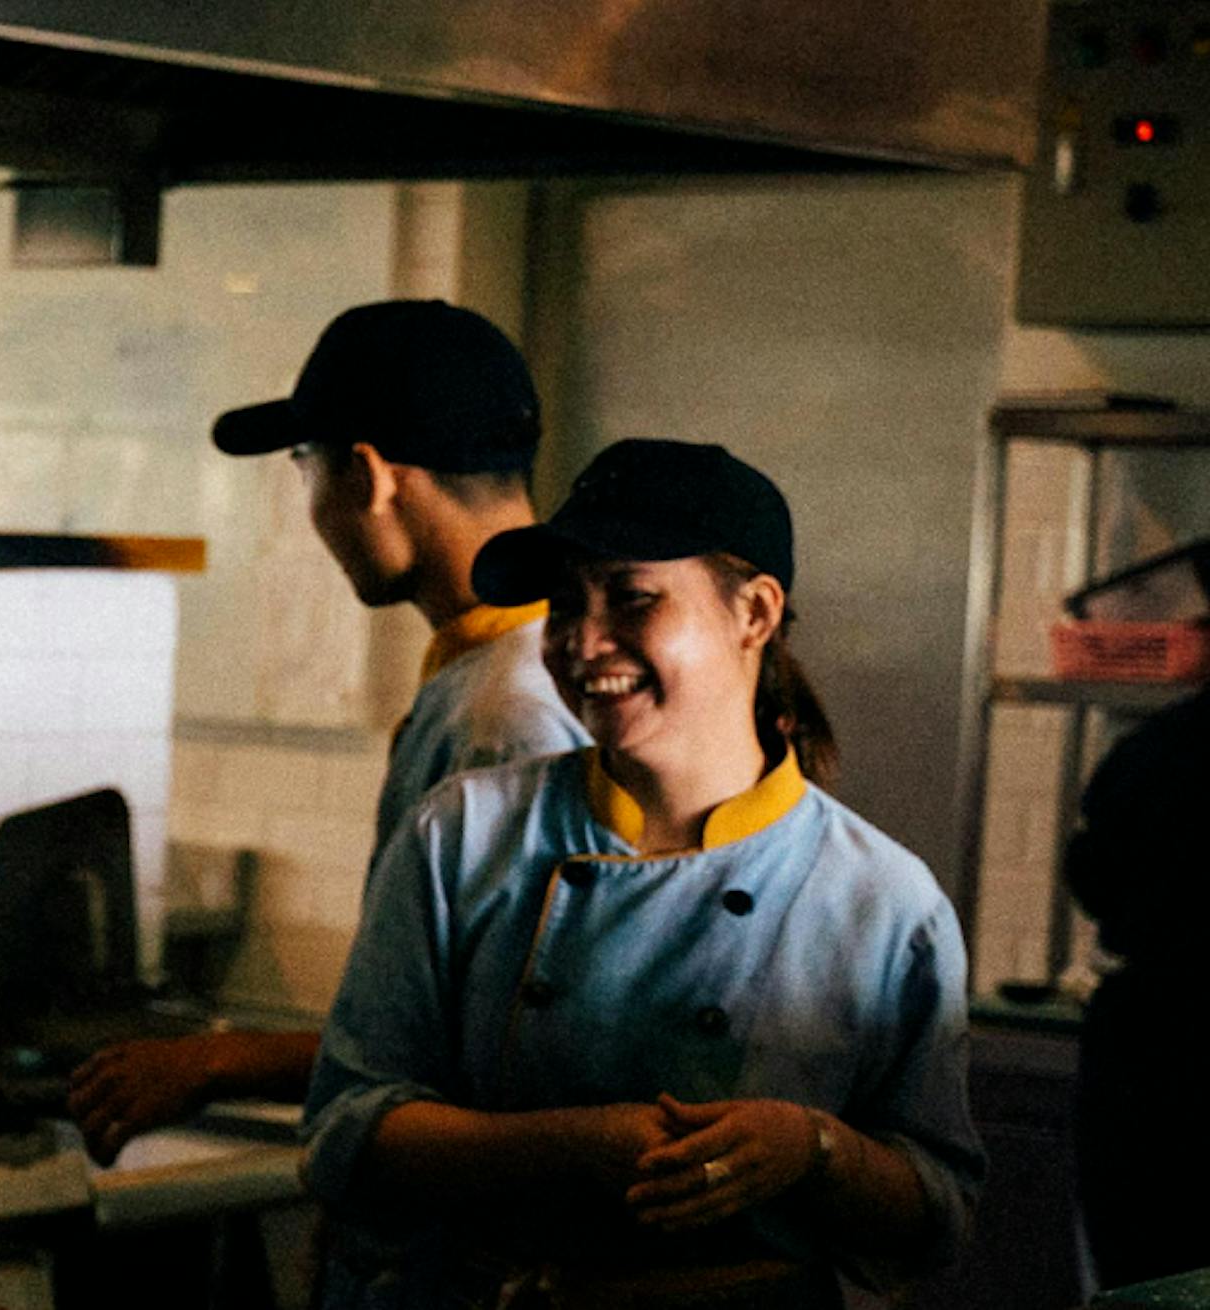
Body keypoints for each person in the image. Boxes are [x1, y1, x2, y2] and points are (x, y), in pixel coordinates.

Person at [302, 440, 982, 1310]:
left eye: (631, 598)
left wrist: (812, 1149)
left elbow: (937, 1213)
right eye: (564, 604)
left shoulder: (881, 899)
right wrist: (575, 1144)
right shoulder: (465, 835)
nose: (584, 643)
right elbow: (345, 1132)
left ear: (756, 613)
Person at [69, 299, 588, 1161]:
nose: (311, 510)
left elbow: (485, 1043)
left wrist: (223, 1061)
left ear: (370, 474)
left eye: (304, 467)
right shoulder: (488, 678)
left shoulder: (513, 718)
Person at [1063, 681, 1210, 1288]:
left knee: (1142, 1282)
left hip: (1149, 1058)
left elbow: (1093, 873)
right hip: (1156, 1060)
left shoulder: (1154, 751)